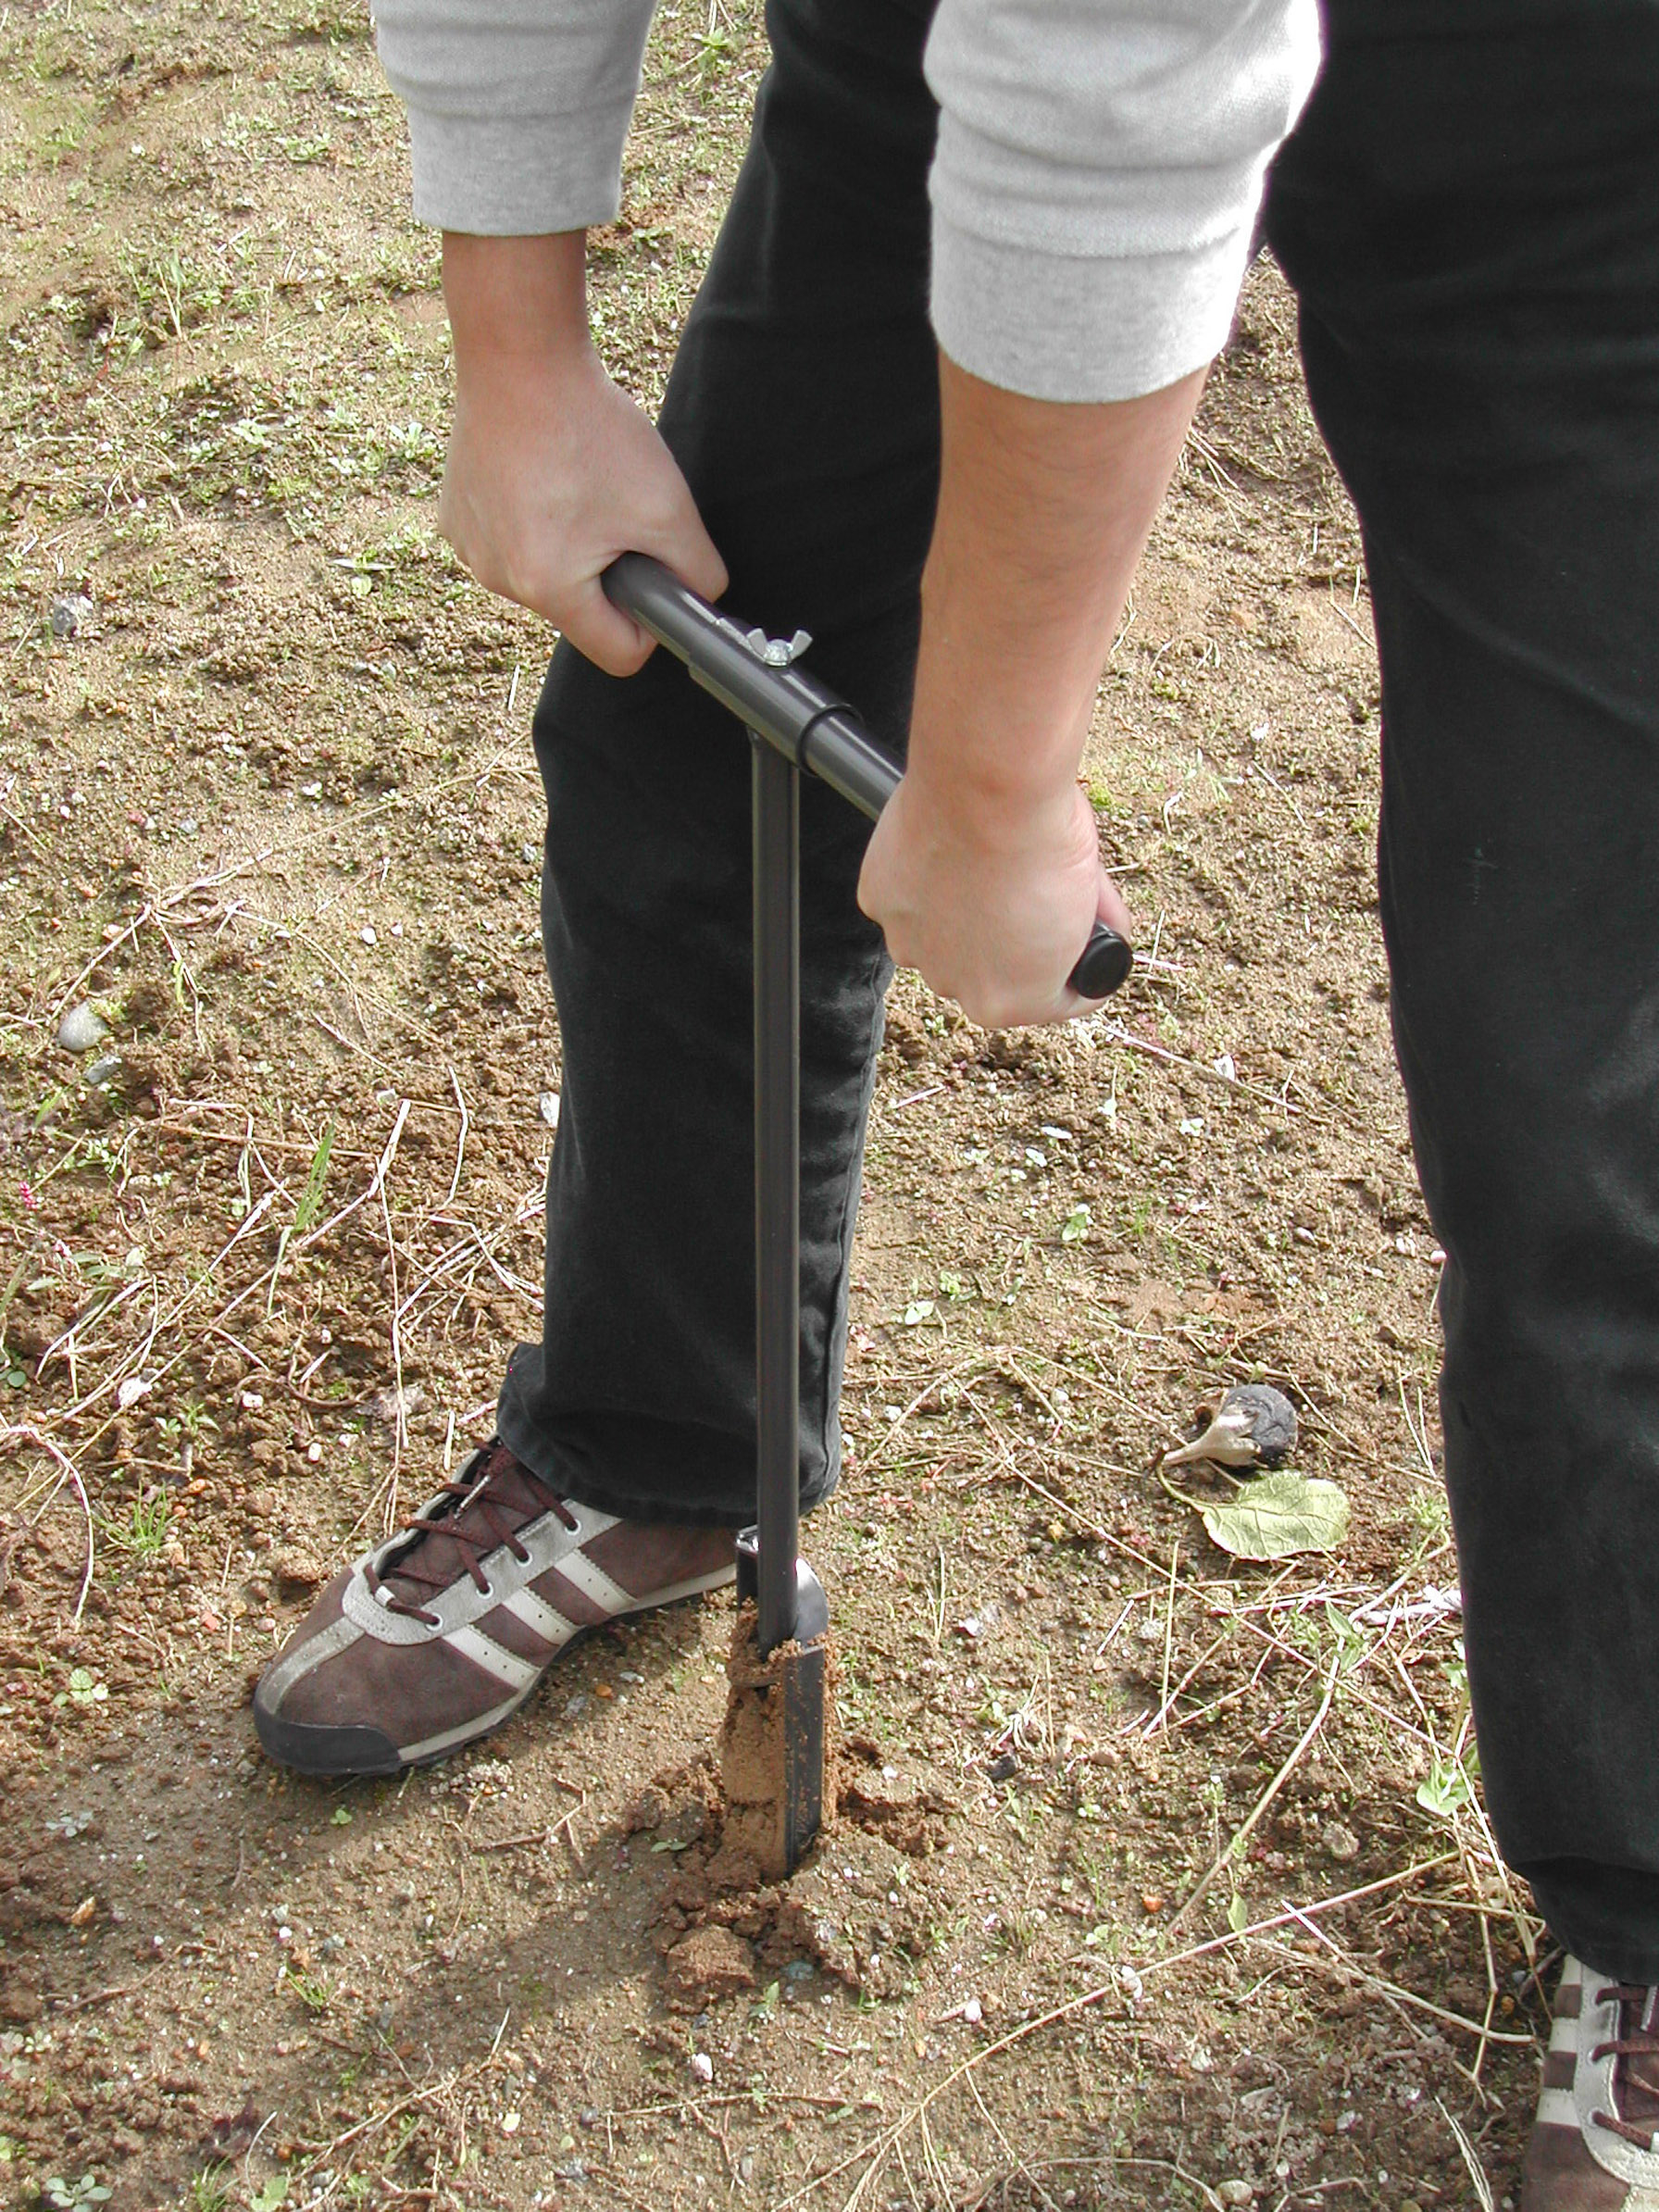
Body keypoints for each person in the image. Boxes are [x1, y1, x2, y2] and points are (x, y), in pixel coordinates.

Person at [250, 0, 1659, 2201]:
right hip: (943, 41)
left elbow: (1121, 77)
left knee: (1578, 1041)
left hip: (1568, 119)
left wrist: (995, 780)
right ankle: (658, 1442)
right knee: (682, 742)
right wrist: (516, 351)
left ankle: (1645, 1891)